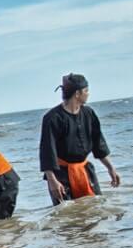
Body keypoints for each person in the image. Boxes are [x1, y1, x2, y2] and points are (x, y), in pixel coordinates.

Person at [40, 73, 120, 204]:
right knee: (68, 218)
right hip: (61, 177)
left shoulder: (89, 113)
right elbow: (47, 151)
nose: (88, 94)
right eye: (86, 91)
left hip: (85, 172)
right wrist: (52, 180)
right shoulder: (52, 118)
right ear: (77, 93)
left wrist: (111, 168)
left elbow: (98, 144)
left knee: (96, 210)